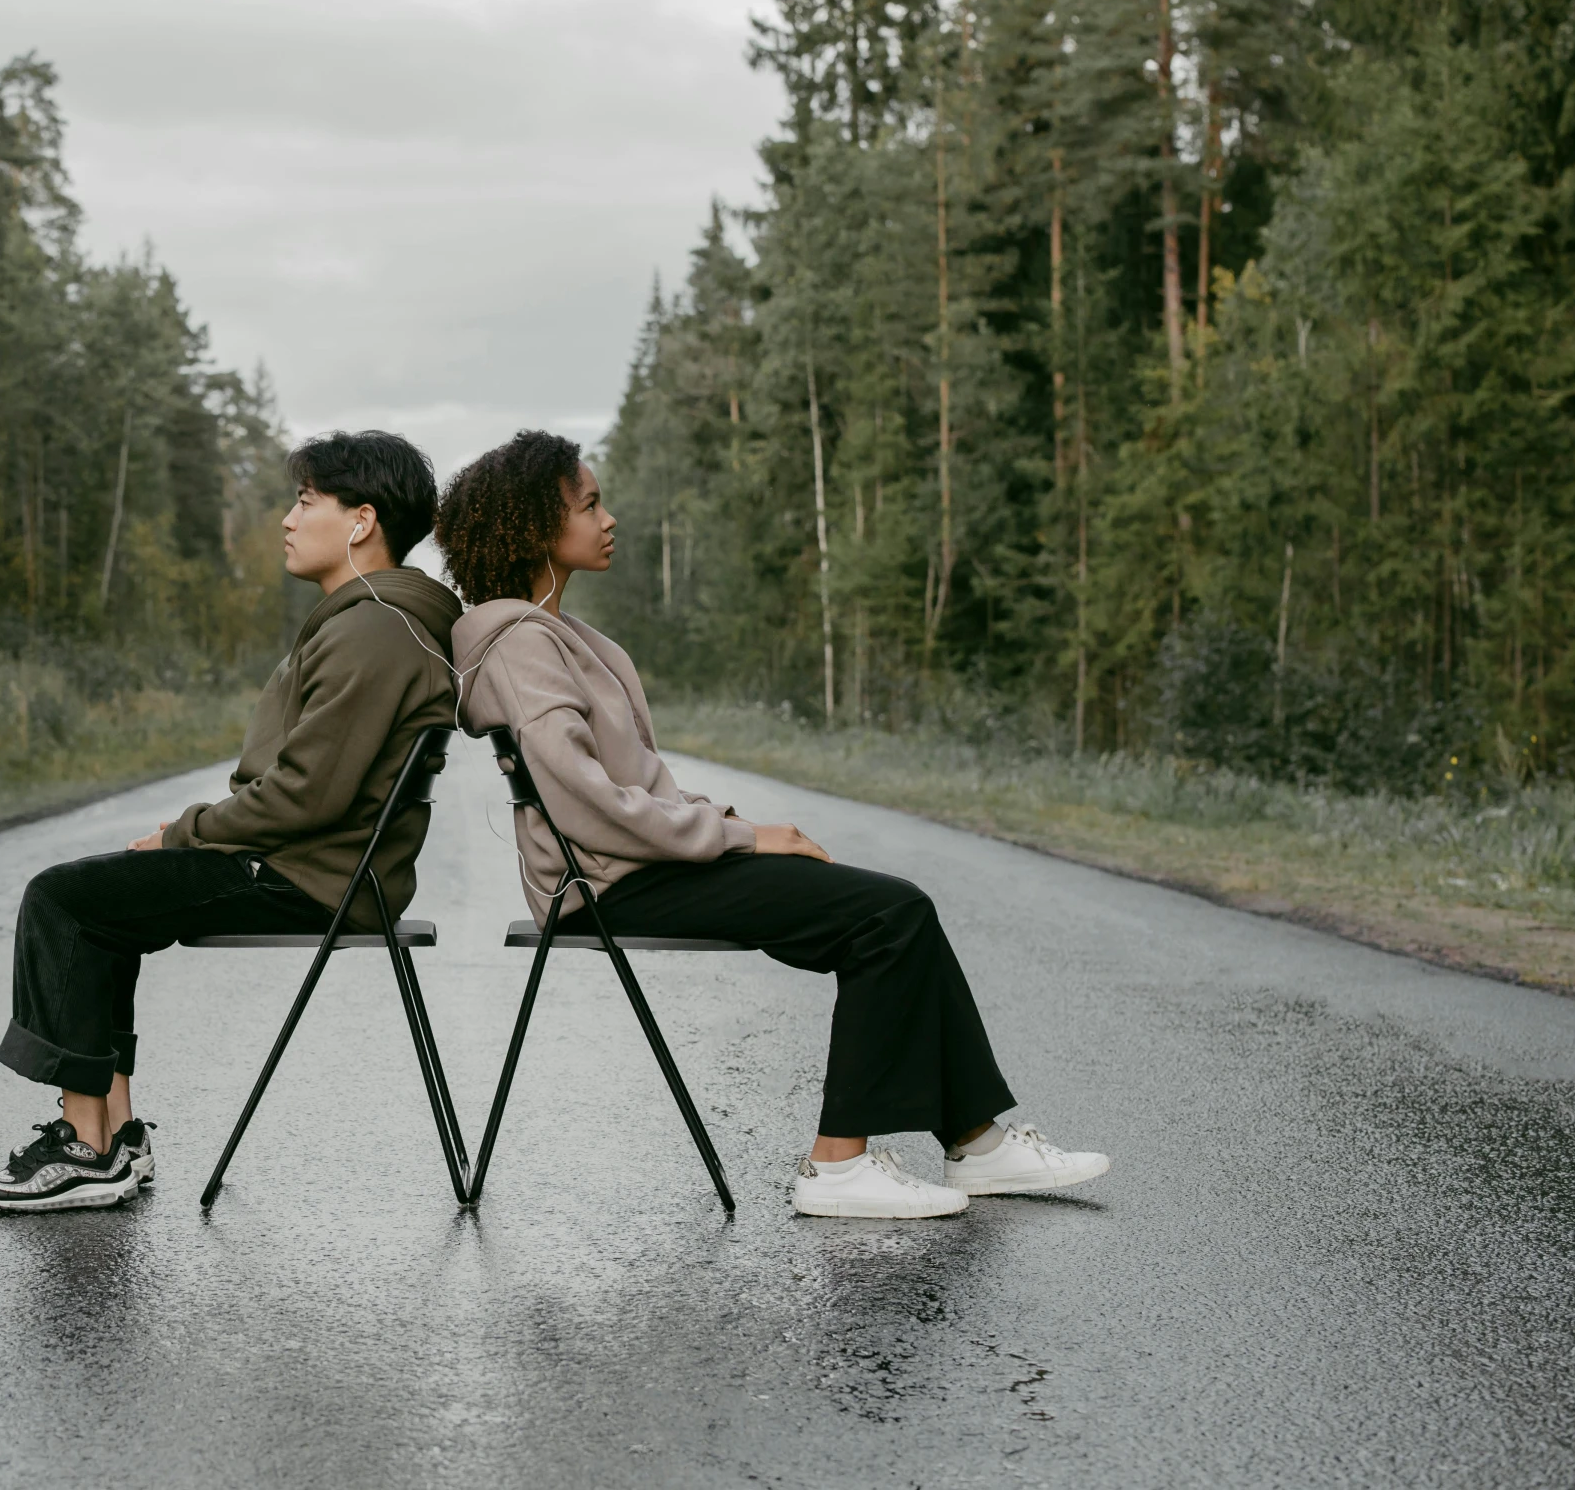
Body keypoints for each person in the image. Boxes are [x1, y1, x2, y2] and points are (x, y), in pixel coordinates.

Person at [432, 429, 1109, 1219]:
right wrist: (745, 838)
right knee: (887, 913)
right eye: (590, 505)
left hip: (633, 867)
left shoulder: (559, 635)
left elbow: (630, 787)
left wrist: (730, 823)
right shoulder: (519, 644)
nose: (610, 518)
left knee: (891, 907)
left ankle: (977, 1143)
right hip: (608, 884)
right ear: (537, 530)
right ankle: (839, 1165)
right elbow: (587, 802)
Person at [0, 430, 461, 1212]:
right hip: (319, 865)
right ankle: (113, 1137)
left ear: (362, 520)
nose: (287, 519)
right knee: (105, 901)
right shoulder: (375, 618)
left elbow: (309, 794)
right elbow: (311, 785)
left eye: (305, 501)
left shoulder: (375, 627)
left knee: (64, 899)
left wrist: (185, 831)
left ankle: (87, 1147)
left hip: (309, 875)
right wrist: (190, 830)